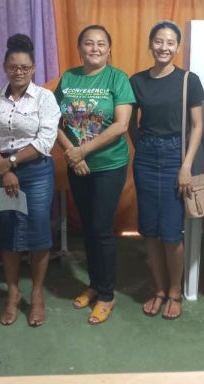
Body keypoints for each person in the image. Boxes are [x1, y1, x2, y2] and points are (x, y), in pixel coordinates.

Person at [55, 25, 135, 325]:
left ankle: (106, 295)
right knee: (87, 228)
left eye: (101, 43)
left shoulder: (118, 78)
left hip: (108, 165)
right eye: (89, 43)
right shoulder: (68, 78)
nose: (95, 48)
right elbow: (54, 121)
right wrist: (71, 153)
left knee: (101, 228)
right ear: (80, 49)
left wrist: (82, 151)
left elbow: (121, 125)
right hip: (77, 165)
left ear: (109, 49)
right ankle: (93, 284)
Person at [0, 34, 60, 327]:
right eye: (13, 66)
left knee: (39, 230)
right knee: (9, 229)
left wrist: (11, 163)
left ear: (33, 68)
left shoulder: (45, 98)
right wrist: (3, 170)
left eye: (25, 67)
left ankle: (36, 294)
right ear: (5, 66)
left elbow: (45, 140)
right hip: (2, 172)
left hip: (36, 171)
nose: (19, 72)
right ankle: (12, 293)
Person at [129, 21, 204, 320]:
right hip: (146, 158)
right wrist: (143, 147)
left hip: (176, 156)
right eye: (159, 41)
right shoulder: (137, 81)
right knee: (149, 230)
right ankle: (159, 289)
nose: (164, 47)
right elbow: (131, 124)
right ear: (151, 44)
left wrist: (186, 165)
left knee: (172, 232)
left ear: (178, 46)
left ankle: (175, 291)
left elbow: (197, 126)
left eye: (170, 42)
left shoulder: (188, 80)